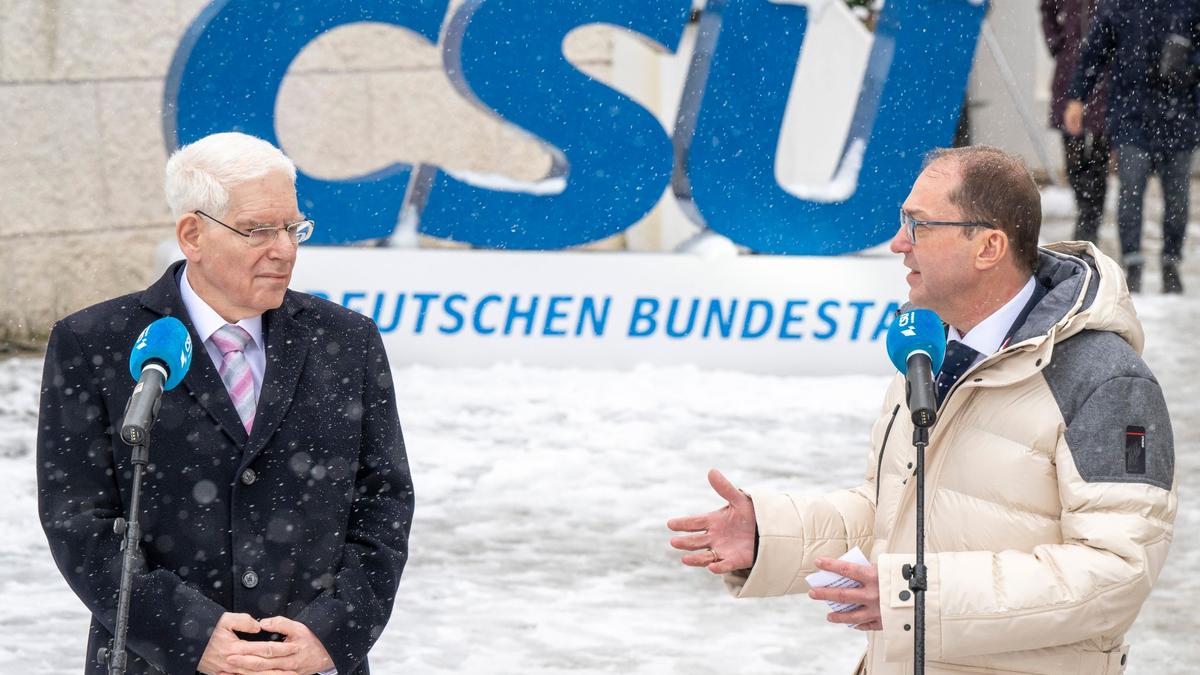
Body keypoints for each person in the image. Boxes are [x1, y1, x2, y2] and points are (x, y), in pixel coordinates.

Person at [668, 146, 1177, 675]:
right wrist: (768, 535)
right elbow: (894, 511)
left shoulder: (1106, 379)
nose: (897, 244)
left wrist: (916, 597)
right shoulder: (929, 351)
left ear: (989, 246)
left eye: (919, 225)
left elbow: (1116, 575)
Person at [37, 132, 414, 675]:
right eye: (258, 229)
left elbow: (384, 500)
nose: (283, 248)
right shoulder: (96, 343)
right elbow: (78, 519)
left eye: (293, 227)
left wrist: (335, 632)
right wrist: (186, 632)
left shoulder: (347, 339)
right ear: (193, 234)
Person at [1065, 0, 1200, 293]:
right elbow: (1094, 52)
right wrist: (1077, 96)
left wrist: (1188, 65)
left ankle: (1170, 264)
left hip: (1181, 114)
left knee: (1177, 196)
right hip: (1132, 113)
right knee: (1131, 189)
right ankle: (1133, 262)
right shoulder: (1120, 5)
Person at [1041, 0, 1111, 245]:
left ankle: (1090, 223)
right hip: (1069, 72)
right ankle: (1085, 212)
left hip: (1106, 76)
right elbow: (1047, 9)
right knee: (1073, 156)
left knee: (1099, 158)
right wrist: (1057, 42)